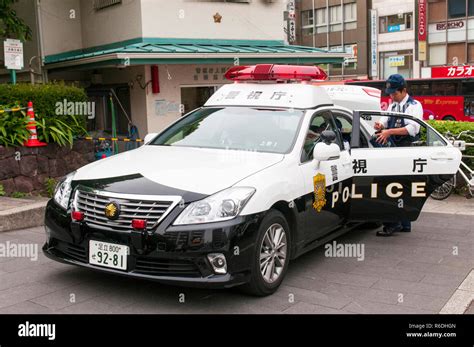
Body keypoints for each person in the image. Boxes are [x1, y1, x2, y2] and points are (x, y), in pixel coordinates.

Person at [374, 74, 423, 237]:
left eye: (394, 93)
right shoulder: (393, 106)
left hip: (407, 149)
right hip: (394, 150)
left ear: (403, 90)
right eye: (390, 93)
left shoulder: (414, 106)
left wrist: (389, 132)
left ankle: (392, 224)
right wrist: (381, 125)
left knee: (394, 186)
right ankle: (404, 224)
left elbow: (412, 129)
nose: (392, 96)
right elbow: (385, 120)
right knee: (399, 186)